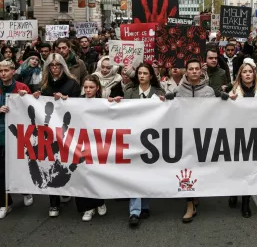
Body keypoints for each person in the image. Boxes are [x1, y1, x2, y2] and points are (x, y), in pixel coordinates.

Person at [110, 63, 165, 228]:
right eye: (139, 73)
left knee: (147, 172)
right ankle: (134, 211)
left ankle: (145, 206)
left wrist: (166, 102)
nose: (141, 76)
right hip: (133, 138)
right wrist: (117, 102)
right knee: (134, 174)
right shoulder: (129, 92)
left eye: (145, 73)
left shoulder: (160, 93)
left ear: (151, 76)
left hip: (152, 140)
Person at [165, 59, 215, 223]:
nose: (194, 71)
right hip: (184, 138)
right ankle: (189, 205)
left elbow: (216, 113)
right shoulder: (178, 90)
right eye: (191, 69)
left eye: (197, 69)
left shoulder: (209, 91)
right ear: (185, 72)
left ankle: (196, 195)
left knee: (199, 168)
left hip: (202, 137)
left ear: (201, 71)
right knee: (185, 169)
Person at [37, 53, 81, 217]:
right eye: (51, 65)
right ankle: (53, 203)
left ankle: (68, 189)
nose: (54, 68)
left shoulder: (72, 84)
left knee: (67, 162)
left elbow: (80, 104)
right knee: (49, 162)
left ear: (63, 66)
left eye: (57, 65)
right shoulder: (44, 85)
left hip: (68, 129)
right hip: (49, 131)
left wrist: (66, 100)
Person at [227, 59, 257, 218]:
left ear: (254, 74)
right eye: (244, 72)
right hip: (237, 135)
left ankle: (246, 202)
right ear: (240, 74)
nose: (247, 74)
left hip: (255, 135)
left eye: (250, 72)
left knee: (249, 169)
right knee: (236, 168)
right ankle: (233, 192)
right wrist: (227, 100)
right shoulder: (233, 91)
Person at [0, 60, 33, 219]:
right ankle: (4, 202)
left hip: (18, 134)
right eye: (1, 71)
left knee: (19, 165)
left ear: (13, 71)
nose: (3, 73)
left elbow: (33, 108)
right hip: (0, 133)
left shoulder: (22, 87)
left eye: (6, 70)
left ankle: (26, 191)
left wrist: (25, 98)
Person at [75, 75, 107, 221]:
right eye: (86, 87)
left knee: (98, 173)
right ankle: (87, 207)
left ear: (97, 88)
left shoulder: (104, 102)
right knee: (82, 174)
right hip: (81, 142)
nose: (88, 90)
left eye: (91, 87)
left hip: (98, 142)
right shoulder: (76, 101)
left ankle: (100, 202)